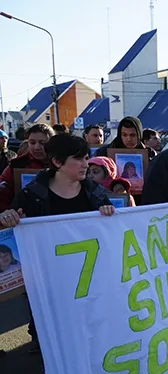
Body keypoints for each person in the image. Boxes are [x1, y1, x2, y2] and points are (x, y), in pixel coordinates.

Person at [0, 133, 115, 353]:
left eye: (86, 158)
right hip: (48, 281)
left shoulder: (94, 191)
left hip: (88, 278)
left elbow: (112, 226)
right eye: (78, 159)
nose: (85, 164)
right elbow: (13, 224)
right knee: (51, 344)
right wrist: (8, 217)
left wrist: (109, 212)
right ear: (57, 162)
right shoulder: (31, 195)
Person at [0, 124, 54, 212]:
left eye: (42, 143)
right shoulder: (17, 165)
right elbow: (3, 194)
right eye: (32, 142)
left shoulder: (62, 164)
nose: (36, 147)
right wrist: (8, 213)